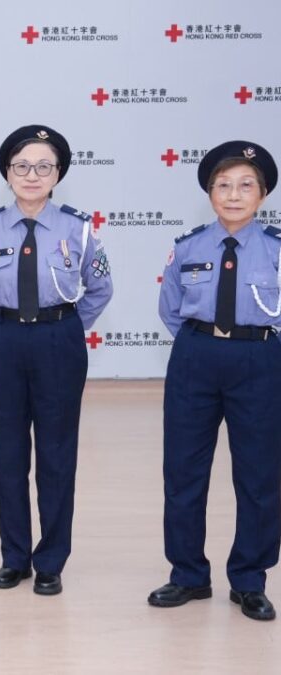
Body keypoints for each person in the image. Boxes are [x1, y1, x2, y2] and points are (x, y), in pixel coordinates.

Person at [0, 124, 113, 596]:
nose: (32, 175)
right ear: (8, 172)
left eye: (43, 166)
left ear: (58, 173)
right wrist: (4, 328)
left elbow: (100, 287)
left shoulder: (78, 229)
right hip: (4, 340)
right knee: (9, 453)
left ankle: (50, 561)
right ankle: (14, 558)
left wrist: (63, 327)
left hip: (58, 341)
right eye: (22, 166)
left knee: (56, 454)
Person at [147, 141, 281, 622]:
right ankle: (188, 574)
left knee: (260, 476)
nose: (233, 194)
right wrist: (205, 343)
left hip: (260, 358)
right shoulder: (188, 247)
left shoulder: (276, 251)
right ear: (209, 192)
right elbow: (170, 309)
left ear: (262, 195)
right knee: (183, 471)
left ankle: (249, 579)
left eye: (246, 185)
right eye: (222, 185)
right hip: (196, 357)